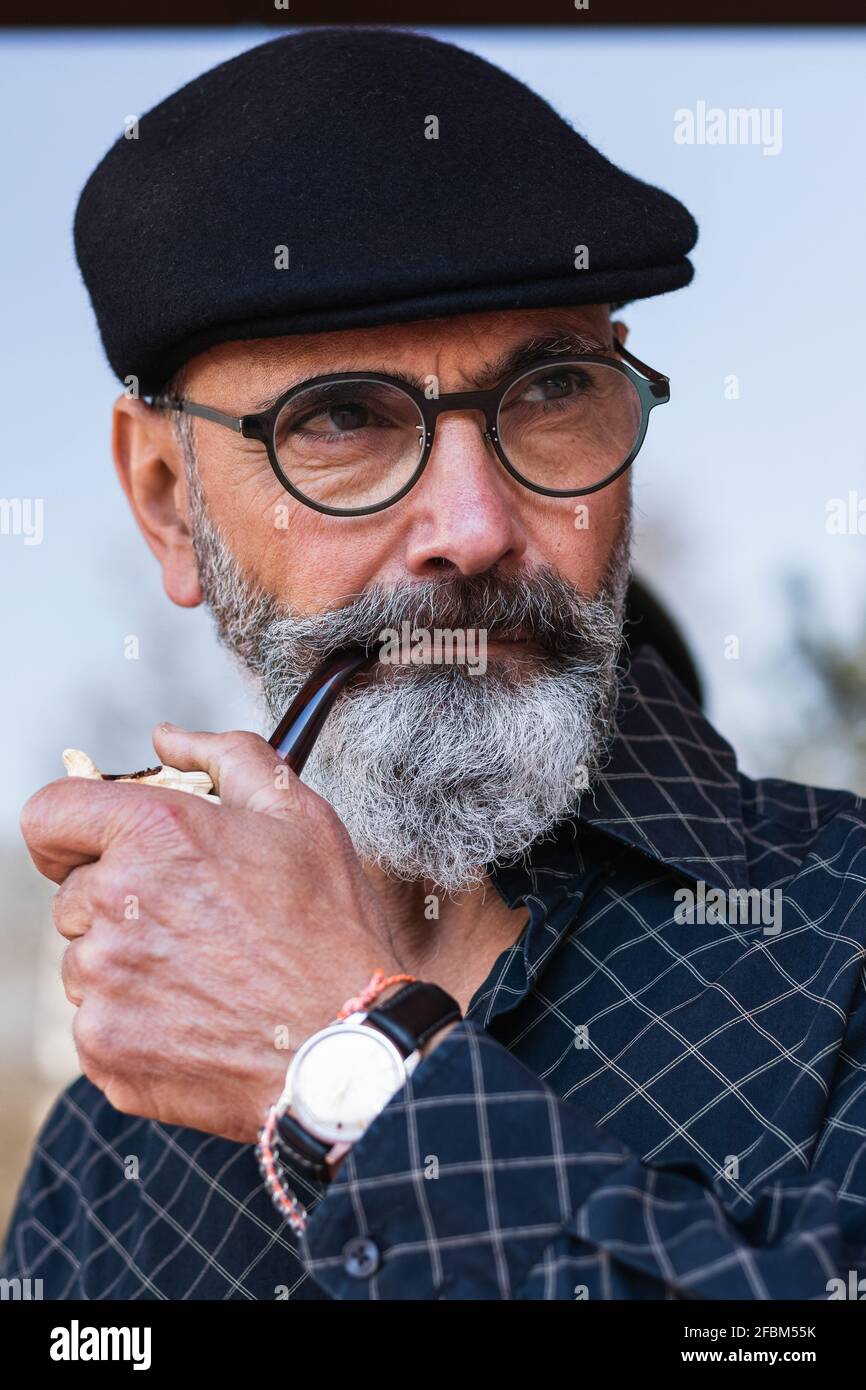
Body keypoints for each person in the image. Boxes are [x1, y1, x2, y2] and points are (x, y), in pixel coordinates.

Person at [3, 26, 865, 1301]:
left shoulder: (840, 950)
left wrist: (342, 1070)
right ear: (168, 498)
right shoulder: (100, 1154)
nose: (473, 526)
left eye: (552, 389)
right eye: (340, 418)